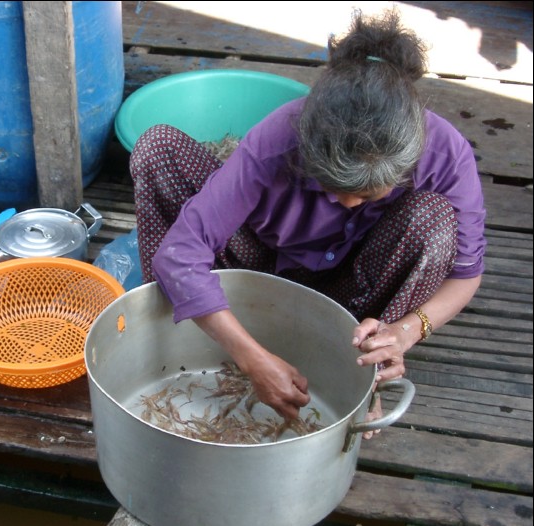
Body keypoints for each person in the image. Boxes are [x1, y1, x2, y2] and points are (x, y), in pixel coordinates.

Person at [130, 9, 485, 437]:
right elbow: (180, 253)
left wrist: (407, 331)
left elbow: (466, 276)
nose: (348, 202)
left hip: (359, 292)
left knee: (434, 220)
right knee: (157, 148)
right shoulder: (280, 135)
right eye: (332, 187)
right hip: (259, 263)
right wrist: (251, 358)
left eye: (368, 194)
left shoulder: (445, 152)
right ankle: (190, 333)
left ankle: (362, 371)